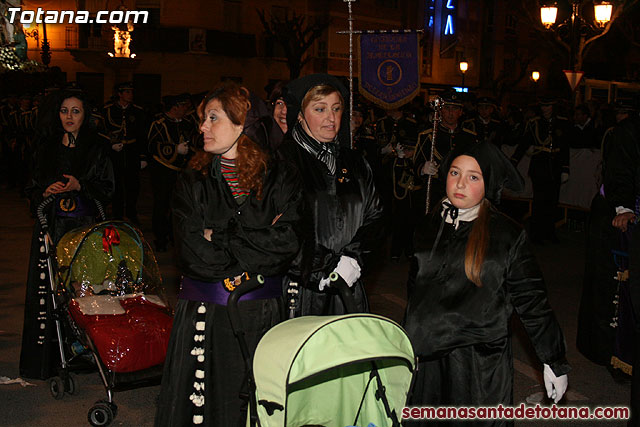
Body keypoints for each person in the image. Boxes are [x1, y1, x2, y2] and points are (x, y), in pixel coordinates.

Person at [155, 82, 302, 426]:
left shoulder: (282, 178)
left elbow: (287, 246)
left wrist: (220, 234)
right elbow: (193, 255)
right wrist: (258, 240)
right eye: (203, 119)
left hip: (262, 315)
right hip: (208, 314)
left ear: (242, 124)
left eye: (213, 118)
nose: (202, 127)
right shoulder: (193, 180)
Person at [404, 142, 570, 424]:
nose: (460, 183)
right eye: (455, 173)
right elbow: (415, 293)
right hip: (429, 361)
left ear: (488, 183)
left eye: (473, 177)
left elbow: (532, 301)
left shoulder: (506, 235)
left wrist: (553, 360)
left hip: (477, 366)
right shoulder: (428, 225)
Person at [19, 90, 114, 380]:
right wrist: (43, 191)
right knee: (48, 290)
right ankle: (50, 357)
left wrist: (80, 185)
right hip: (51, 227)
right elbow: (30, 186)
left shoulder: (98, 147)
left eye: (75, 111)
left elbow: (109, 188)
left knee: (83, 289)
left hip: (82, 228)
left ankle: (83, 353)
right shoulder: (45, 147)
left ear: (85, 116)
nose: (69, 117)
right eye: (64, 111)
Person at [280, 73, 384, 316]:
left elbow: (376, 218)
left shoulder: (355, 163)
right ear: (300, 114)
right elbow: (280, 230)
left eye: (336, 109)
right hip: (301, 292)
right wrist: (323, 267)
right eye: (320, 109)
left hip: (349, 288)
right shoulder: (282, 162)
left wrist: (354, 259)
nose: (330, 118)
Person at [511, 96, 570, 244]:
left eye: (548, 106)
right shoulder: (534, 123)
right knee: (539, 202)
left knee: (552, 202)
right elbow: (523, 144)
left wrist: (565, 169)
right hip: (540, 167)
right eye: (543, 106)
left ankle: (549, 234)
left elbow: (564, 148)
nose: (545, 109)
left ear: (553, 107)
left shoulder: (562, 123)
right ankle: (536, 234)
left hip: (555, 166)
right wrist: (513, 162)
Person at [414, 90, 477, 212]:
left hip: (462, 192)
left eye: (454, 109)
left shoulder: (470, 137)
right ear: (440, 111)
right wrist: (422, 169)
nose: (450, 113)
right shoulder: (428, 136)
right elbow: (415, 166)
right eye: (447, 108)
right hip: (435, 193)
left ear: (460, 112)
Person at [147, 94, 196, 252]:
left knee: (179, 207)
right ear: (174, 107)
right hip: (163, 172)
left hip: (182, 172)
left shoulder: (188, 123)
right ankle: (160, 239)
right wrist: (175, 149)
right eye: (183, 106)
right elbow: (152, 146)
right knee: (161, 205)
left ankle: (175, 237)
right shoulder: (159, 124)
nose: (185, 109)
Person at [103, 81, 147, 224]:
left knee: (133, 185)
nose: (130, 95)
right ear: (120, 94)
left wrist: (142, 156)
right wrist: (111, 145)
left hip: (132, 151)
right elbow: (103, 132)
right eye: (127, 92)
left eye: (131, 92)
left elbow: (142, 134)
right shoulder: (108, 110)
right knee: (116, 184)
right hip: (116, 153)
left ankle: (131, 212)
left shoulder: (138, 111)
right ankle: (117, 214)